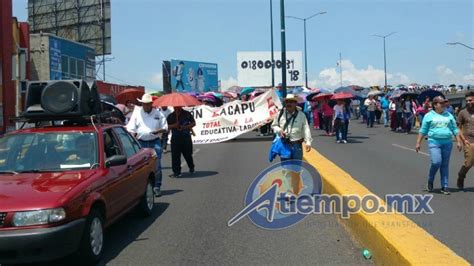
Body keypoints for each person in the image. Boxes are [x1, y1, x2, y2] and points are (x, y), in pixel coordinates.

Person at [416, 96, 462, 195]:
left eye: (444, 103)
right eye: (441, 103)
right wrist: (418, 143)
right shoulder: (429, 115)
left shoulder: (449, 115)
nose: (444, 105)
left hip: (447, 143)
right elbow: (423, 130)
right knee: (436, 162)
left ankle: (444, 186)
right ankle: (430, 180)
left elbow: (455, 129)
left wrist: (458, 141)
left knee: (445, 165)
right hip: (434, 142)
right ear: (435, 105)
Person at [126, 94, 168, 196]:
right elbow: (131, 129)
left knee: (157, 165)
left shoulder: (158, 114)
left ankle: (157, 186)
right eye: (143, 104)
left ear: (151, 104)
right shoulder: (137, 114)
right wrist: (133, 139)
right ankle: (144, 187)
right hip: (141, 143)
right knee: (142, 166)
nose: (145, 106)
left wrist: (157, 131)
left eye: (147, 104)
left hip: (155, 141)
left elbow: (165, 128)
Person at [272, 94, 312, 160]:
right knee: (285, 167)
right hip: (284, 144)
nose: (288, 104)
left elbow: (306, 129)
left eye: (291, 102)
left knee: (297, 167)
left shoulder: (301, 115)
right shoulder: (280, 114)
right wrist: (279, 130)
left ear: (295, 103)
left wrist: (308, 142)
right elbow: (274, 125)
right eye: (287, 102)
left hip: (297, 145)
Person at [167, 106, 196, 177]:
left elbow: (193, 123)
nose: (176, 108)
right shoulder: (170, 116)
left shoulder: (187, 114)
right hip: (175, 138)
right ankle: (176, 172)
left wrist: (184, 127)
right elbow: (167, 126)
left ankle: (191, 166)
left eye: (178, 107)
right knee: (175, 156)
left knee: (188, 154)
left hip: (186, 138)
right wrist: (174, 125)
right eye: (175, 107)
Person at [457, 91, 474, 190]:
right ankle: (461, 176)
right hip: (468, 141)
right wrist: (462, 140)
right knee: (469, 163)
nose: (468, 102)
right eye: (467, 100)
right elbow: (458, 128)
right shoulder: (463, 112)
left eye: (470, 100)